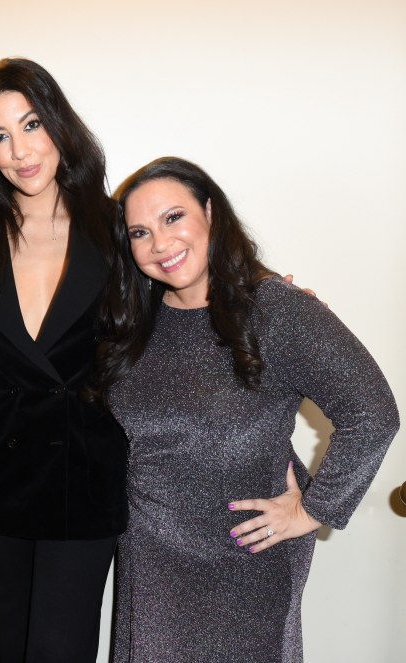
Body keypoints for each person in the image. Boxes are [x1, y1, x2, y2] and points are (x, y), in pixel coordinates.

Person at [94, 156, 400, 662]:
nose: (161, 244)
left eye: (174, 218)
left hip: (246, 561)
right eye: (140, 233)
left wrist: (314, 509)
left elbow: (372, 412)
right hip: (151, 562)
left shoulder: (276, 308)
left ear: (210, 213)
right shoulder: (133, 320)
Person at [0, 59, 128, 662]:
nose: (20, 151)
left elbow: (189, 295)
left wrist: (264, 293)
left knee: (60, 652)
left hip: (86, 475)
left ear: (59, 126)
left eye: (31, 125)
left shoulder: (117, 227)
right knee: (8, 649)